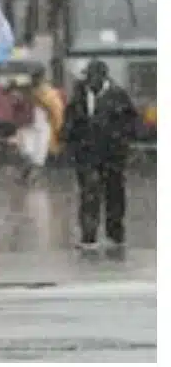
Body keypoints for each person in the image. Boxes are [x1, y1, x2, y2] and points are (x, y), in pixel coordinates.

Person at [61, 60, 137, 259]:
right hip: (87, 154)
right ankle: (89, 236)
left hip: (113, 154)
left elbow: (131, 123)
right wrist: (69, 144)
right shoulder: (78, 96)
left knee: (114, 194)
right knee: (89, 192)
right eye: (88, 77)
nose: (90, 81)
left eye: (94, 77)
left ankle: (115, 234)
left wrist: (124, 143)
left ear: (103, 76)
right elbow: (70, 122)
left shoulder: (118, 96)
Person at [12, 67, 64, 184]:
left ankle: (30, 179)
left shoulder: (47, 92)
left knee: (37, 157)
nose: (34, 80)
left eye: (36, 77)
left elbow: (56, 111)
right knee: (28, 154)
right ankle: (27, 178)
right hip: (28, 126)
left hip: (41, 127)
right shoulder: (25, 90)